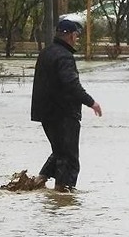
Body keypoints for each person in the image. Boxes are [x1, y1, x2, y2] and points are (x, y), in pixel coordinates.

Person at [30, 18, 103, 192]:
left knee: (60, 150)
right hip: (63, 113)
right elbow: (71, 84)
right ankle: (63, 193)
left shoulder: (46, 52)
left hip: (45, 113)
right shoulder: (65, 56)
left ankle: (39, 181)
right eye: (76, 35)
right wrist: (91, 102)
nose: (76, 39)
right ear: (71, 36)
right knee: (69, 157)